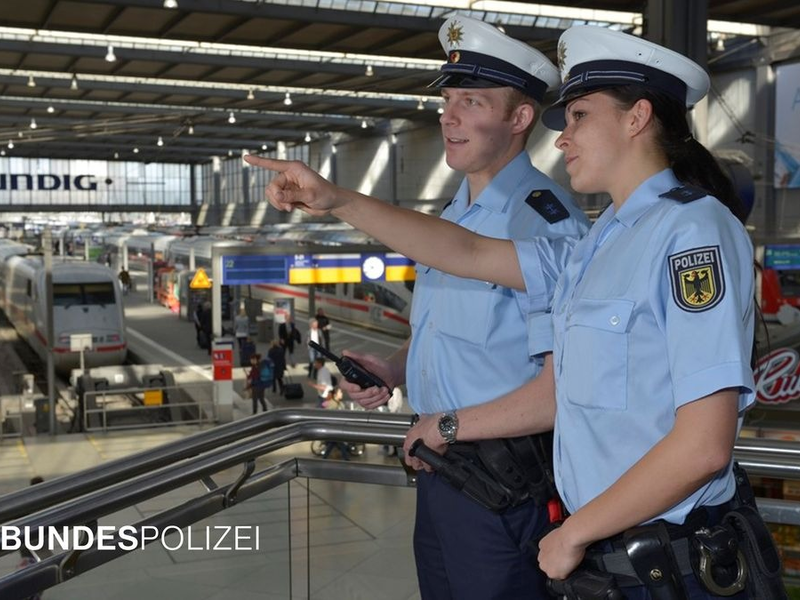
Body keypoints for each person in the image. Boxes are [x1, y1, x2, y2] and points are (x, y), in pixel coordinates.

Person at [247, 23, 786, 600]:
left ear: (637, 118)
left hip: (667, 558)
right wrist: (335, 200)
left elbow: (704, 446)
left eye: (579, 116)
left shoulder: (692, 231)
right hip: (608, 554)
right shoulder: (598, 244)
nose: (562, 138)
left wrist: (573, 533)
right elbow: (468, 253)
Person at [249, 15, 589, 600]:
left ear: (519, 119)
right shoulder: (453, 215)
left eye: (471, 102)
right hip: (439, 467)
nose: (448, 117)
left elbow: (563, 384)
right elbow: (457, 331)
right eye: (447, 100)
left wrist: (334, 199)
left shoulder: (543, 223)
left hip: (505, 485)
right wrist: (395, 367)